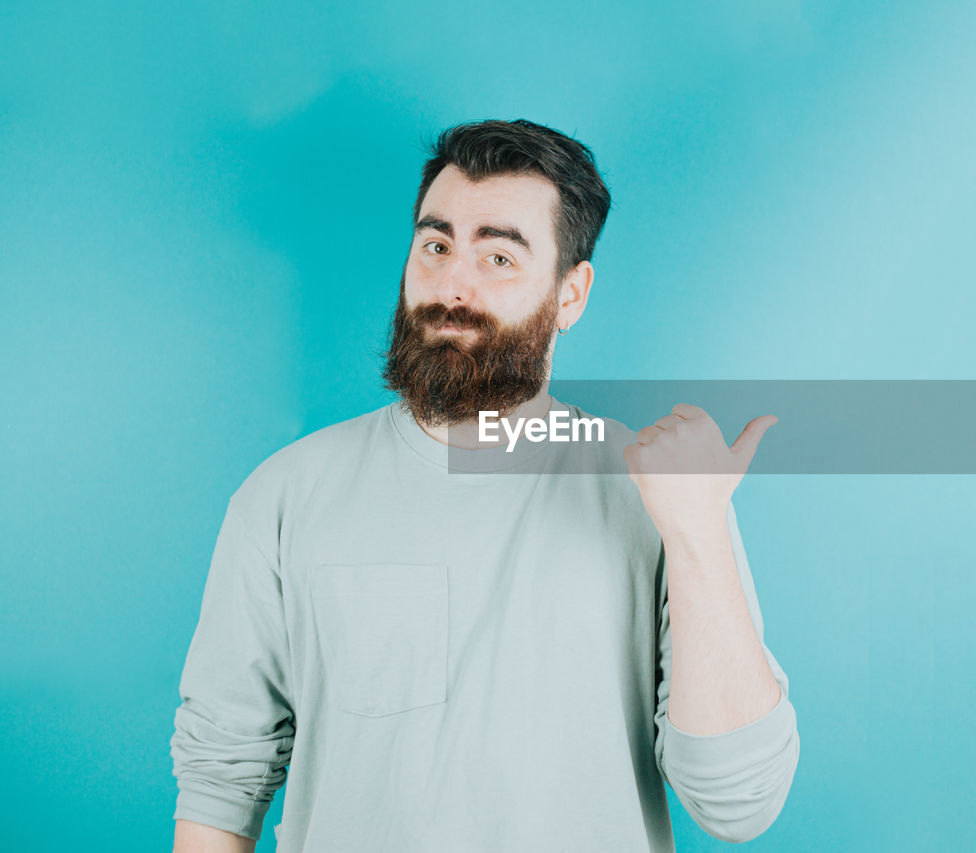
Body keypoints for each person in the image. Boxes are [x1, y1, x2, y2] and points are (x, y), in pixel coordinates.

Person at [170, 118, 799, 853]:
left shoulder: (658, 493)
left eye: (498, 255)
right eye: (436, 245)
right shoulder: (282, 497)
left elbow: (739, 802)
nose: (452, 284)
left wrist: (697, 530)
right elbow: (222, 781)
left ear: (571, 294)